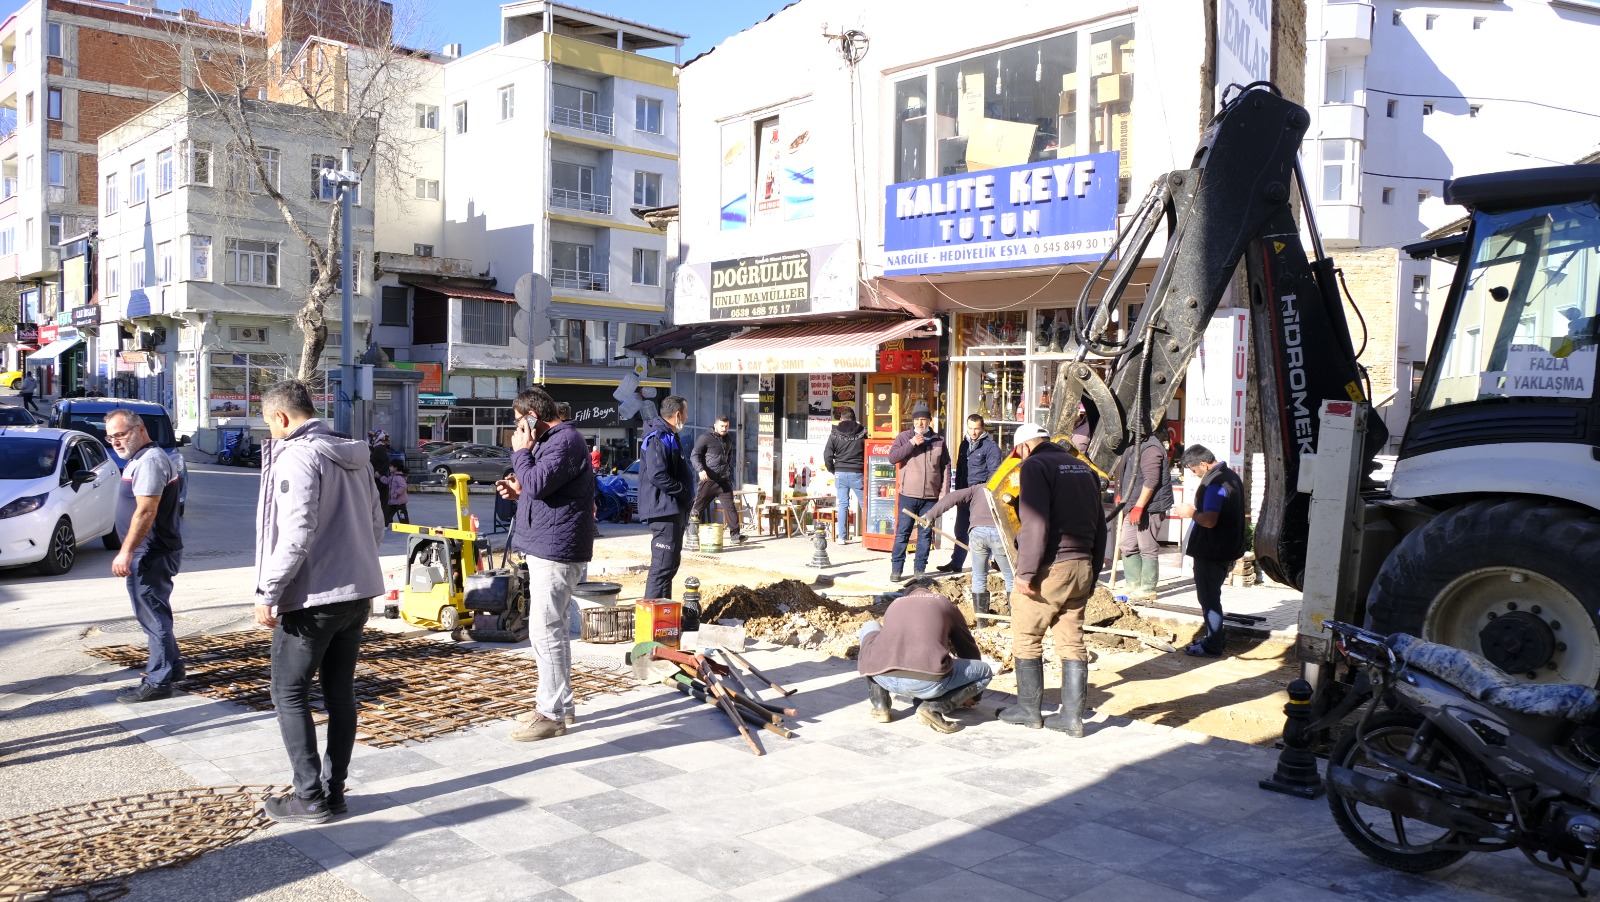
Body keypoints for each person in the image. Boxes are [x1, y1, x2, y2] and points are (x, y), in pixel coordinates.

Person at [252, 380, 385, 824]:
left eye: (269, 424)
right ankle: (335, 791)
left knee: (288, 692)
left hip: (313, 598)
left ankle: (309, 797)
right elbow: (375, 525)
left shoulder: (299, 455)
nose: (271, 434)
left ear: (282, 418)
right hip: (356, 591)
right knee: (339, 693)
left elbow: (296, 532)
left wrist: (269, 591)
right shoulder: (355, 456)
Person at [495, 385, 597, 740]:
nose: (517, 432)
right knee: (550, 631)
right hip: (548, 546)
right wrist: (518, 490)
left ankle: (551, 713)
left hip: (557, 550)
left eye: (519, 423)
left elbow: (538, 483)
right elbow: (541, 487)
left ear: (532, 417)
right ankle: (559, 705)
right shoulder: (553, 442)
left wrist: (521, 454)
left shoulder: (564, 440)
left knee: (545, 631)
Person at [999, 421, 1106, 736]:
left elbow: (1035, 523)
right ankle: (1072, 719)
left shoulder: (1034, 466)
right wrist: (1092, 572)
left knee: (1027, 636)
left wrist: (1025, 573)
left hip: (1051, 568)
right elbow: (1100, 526)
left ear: (1024, 447)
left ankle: (1029, 710)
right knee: (1072, 640)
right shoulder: (1082, 468)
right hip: (1082, 565)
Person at [105, 408, 185, 703]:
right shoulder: (140, 459)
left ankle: (159, 680)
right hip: (151, 550)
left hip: (150, 552)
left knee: (153, 616)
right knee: (156, 612)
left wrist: (125, 552)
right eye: (111, 436)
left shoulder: (150, 461)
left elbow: (147, 511)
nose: (115, 441)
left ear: (140, 430)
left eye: (120, 434)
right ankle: (173, 669)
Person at [857, 588, 992, 733]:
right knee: (985, 672)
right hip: (926, 684)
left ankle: (880, 706)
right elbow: (967, 648)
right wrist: (972, 694)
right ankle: (933, 708)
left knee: (869, 627)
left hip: (883, 678)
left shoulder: (895, 604)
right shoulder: (944, 604)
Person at [1170, 444, 1246, 658]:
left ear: (1203, 464)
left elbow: (1210, 520)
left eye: (1194, 471)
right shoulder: (1229, 476)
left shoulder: (1215, 484)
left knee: (1209, 598)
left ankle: (1213, 645)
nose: (1194, 475)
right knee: (1211, 595)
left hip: (1213, 551)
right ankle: (1215, 637)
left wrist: (1190, 513)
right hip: (1226, 548)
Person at [917, 479, 1014, 615]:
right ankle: (1015, 618)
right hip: (999, 533)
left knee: (979, 576)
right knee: (1011, 577)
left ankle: (981, 621)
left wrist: (930, 515)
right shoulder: (1011, 488)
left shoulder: (978, 488)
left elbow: (952, 497)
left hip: (977, 532)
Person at [887, 400, 949, 582]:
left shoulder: (939, 440)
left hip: (930, 497)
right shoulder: (904, 438)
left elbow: (945, 466)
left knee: (925, 534)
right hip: (908, 494)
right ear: (912, 422)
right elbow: (892, 458)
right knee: (903, 533)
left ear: (930, 421)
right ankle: (896, 569)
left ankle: (920, 570)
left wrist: (944, 492)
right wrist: (912, 444)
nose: (920, 423)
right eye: (917, 420)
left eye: (924, 419)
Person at [639, 395, 692, 599]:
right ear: (678, 414)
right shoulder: (658, 436)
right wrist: (684, 491)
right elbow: (657, 474)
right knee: (662, 567)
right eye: (685, 414)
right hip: (664, 511)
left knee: (669, 567)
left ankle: (663, 614)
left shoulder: (669, 435)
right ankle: (652, 619)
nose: (686, 418)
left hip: (672, 511)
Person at [938, 414, 1001, 572]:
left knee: (982, 530)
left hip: (980, 496)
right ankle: (956, 563)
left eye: (976, 429)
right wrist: (957, 490)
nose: (973, 432)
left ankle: (990, 563)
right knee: (960, 530)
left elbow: (994, 474)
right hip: (964, 494)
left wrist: (986, 494)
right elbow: (960, 469)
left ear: (983, 428)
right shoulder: (964, 444)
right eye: (970, 428)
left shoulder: (990, 447)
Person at [1117, 430, 1174, 601]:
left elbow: (1151, 481)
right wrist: (1121, 495)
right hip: (1134, 503)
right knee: (1127, 544)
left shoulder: (1151, 448)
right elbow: (1126, 473)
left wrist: (1139, 507)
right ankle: (1133, 584)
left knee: (1146, 546)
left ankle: (1148, 588)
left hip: (1150, 507)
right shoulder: (1132, 445)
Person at [689, 415, 745, 544]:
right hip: (708, 479)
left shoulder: (728, 441)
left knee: (730, 507)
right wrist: (700, 470)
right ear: (715, 425)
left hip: (723, 480)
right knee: (698, 507)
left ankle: (735, 535)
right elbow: (694, 455)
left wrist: (727, 472)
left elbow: (729, 459)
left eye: (726, 426)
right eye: (722, 426)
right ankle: (690, 530)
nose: (724, 428)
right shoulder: (705, 438)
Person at [823, 407, 866, 542]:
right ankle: (868, 535)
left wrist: (833, 469)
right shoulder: (862, 432)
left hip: (840, 472)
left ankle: (842, 537)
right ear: (853, 418)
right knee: (865, 504)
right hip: (858, 472)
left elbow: (827, 455)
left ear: (841, 419)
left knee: (842, 504)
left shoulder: (834, 433)